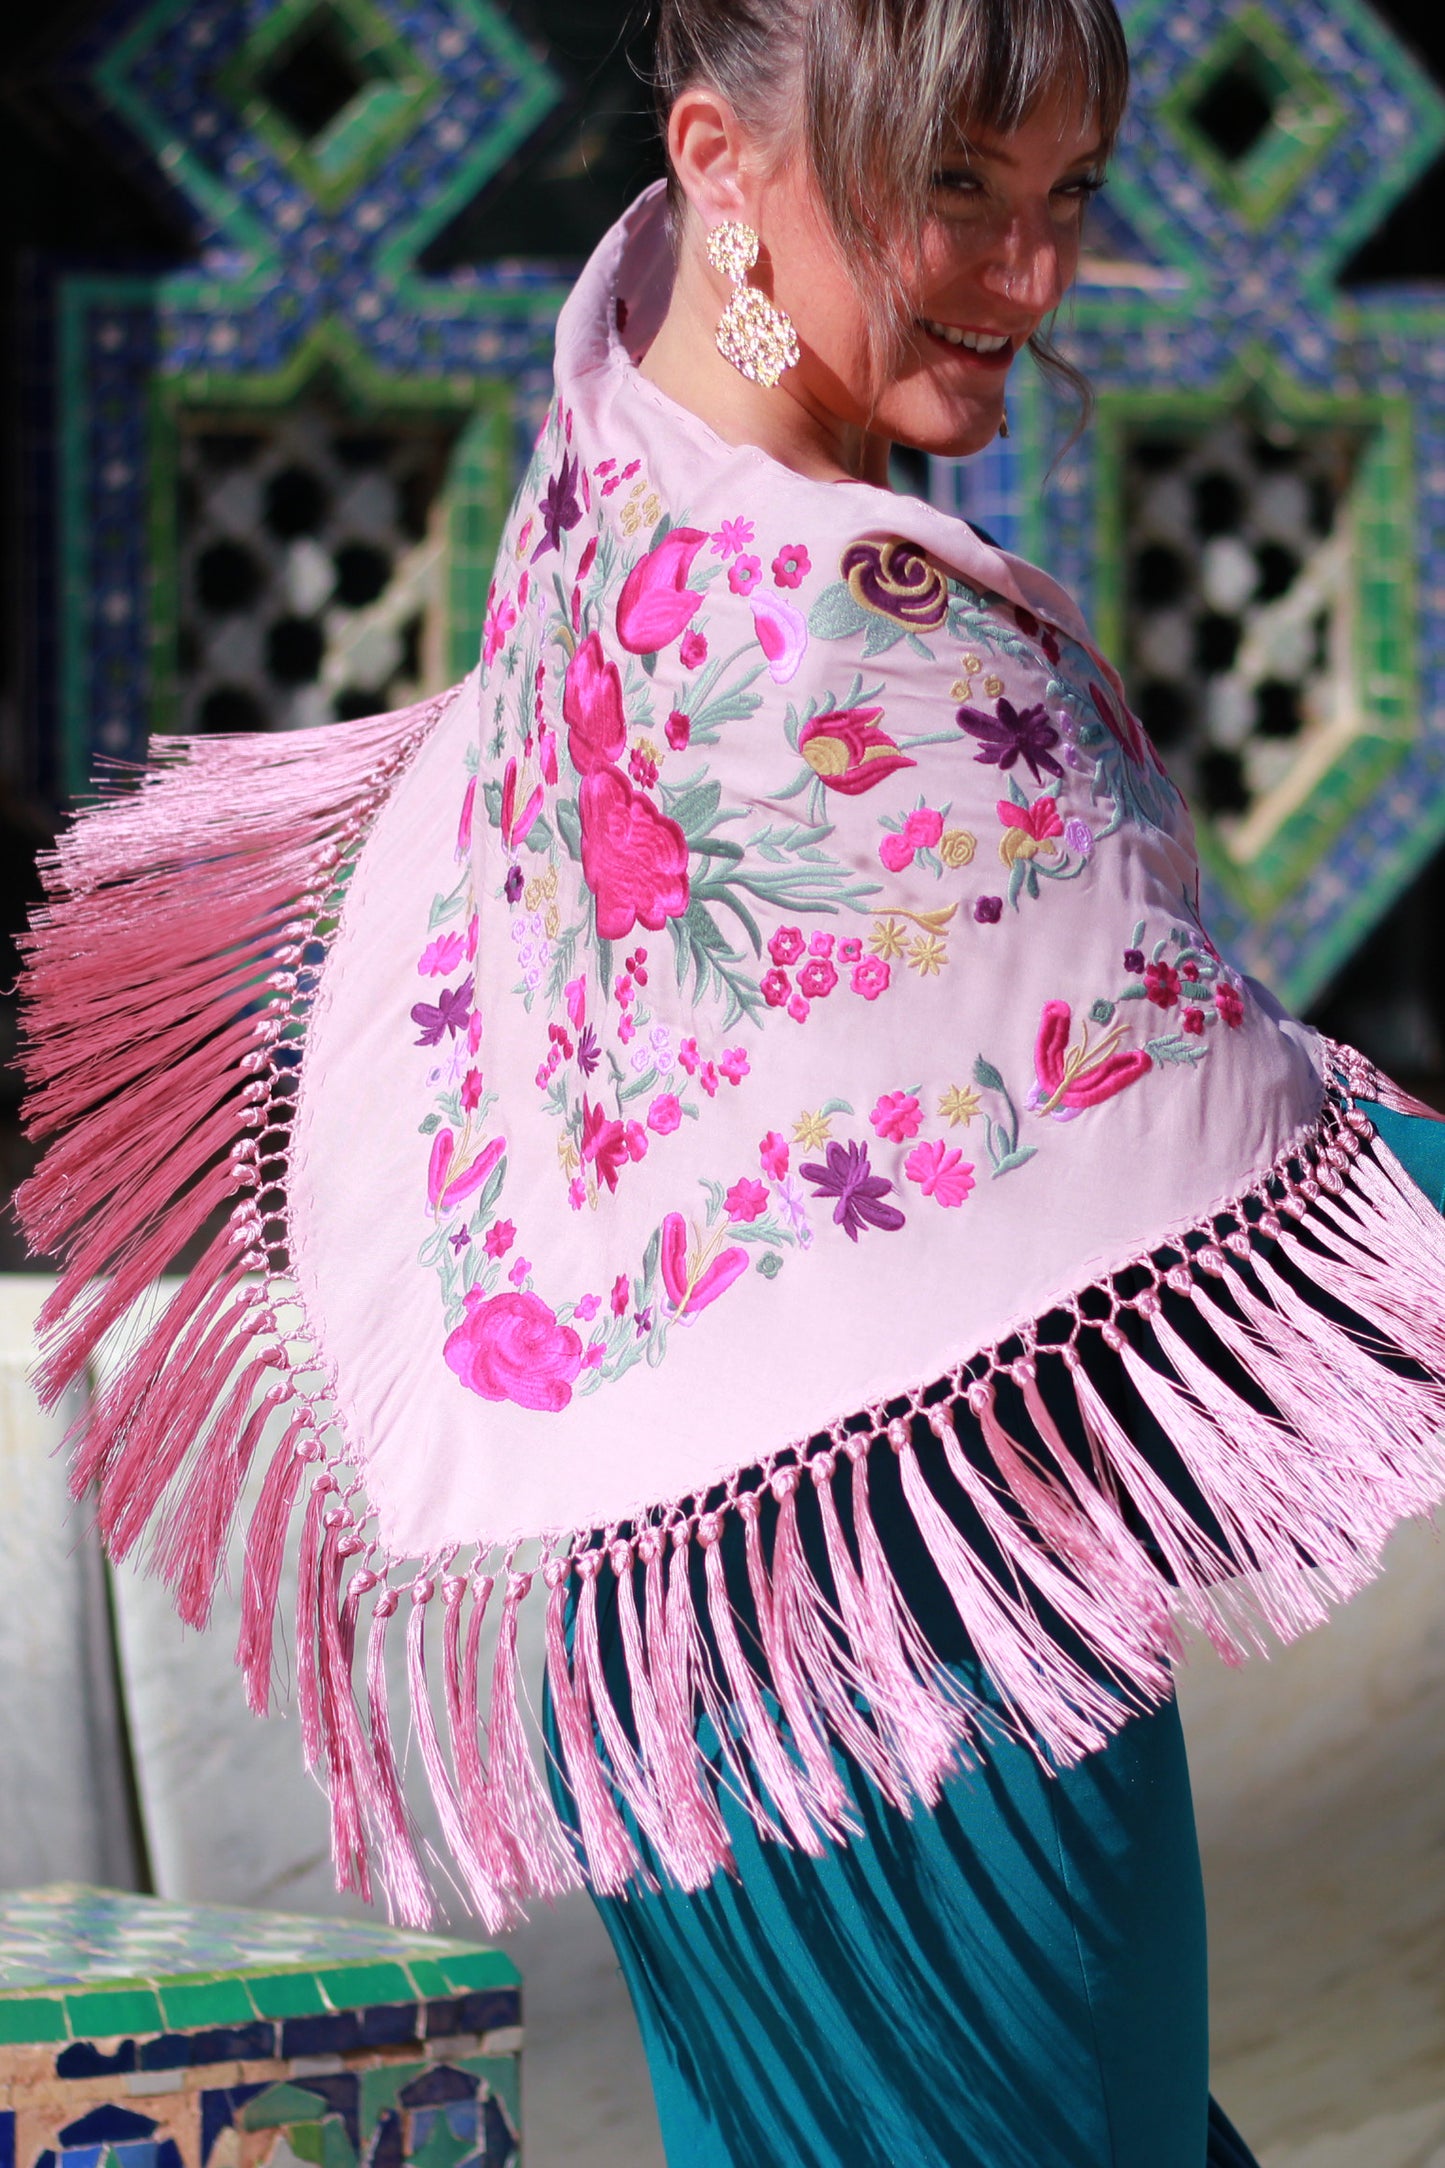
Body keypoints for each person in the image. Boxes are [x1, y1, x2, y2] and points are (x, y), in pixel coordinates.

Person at [20, 3, 1445, 2165]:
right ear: (719, 157)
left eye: (1064, 194)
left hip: (699, 1686)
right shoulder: (854, 622)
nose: (1030, 275)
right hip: (938, 1691)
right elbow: (1235, 1144)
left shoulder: (601, 503)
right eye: (955, 186)